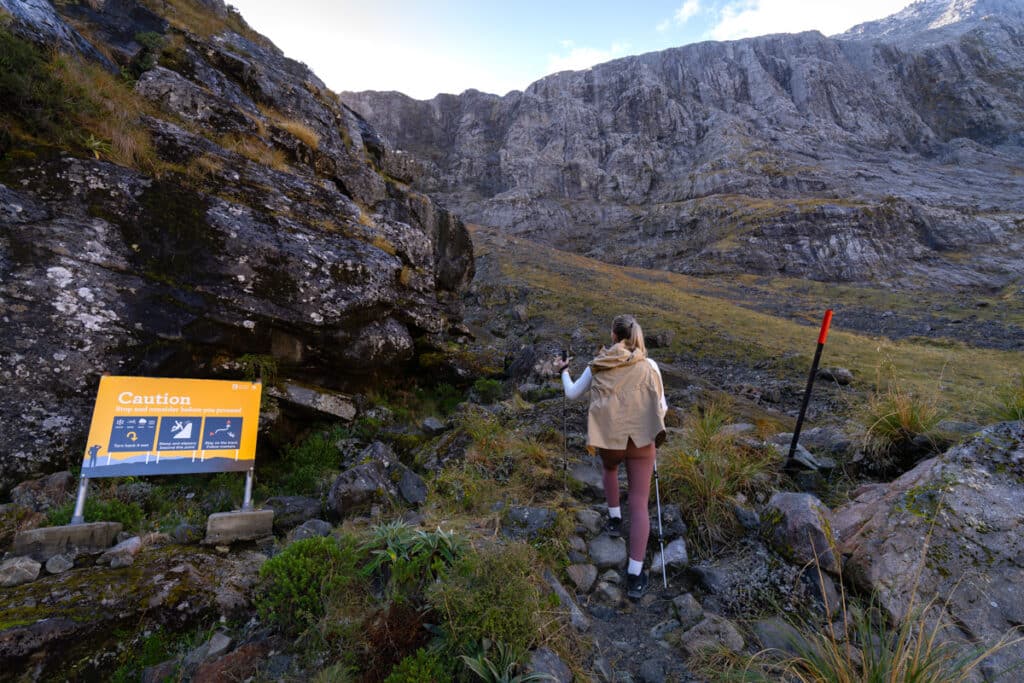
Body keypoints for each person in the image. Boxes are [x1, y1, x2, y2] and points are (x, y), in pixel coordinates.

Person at [558, 314, 667, 599]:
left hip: (610, 439)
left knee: (609, 470)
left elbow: (571, 394)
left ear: (613, 335)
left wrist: (564, 371)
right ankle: (634, 575)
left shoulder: (598, 364)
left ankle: (615, 519)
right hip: (642, 440)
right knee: (641, 503)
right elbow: (662, 408)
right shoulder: (650, 366)